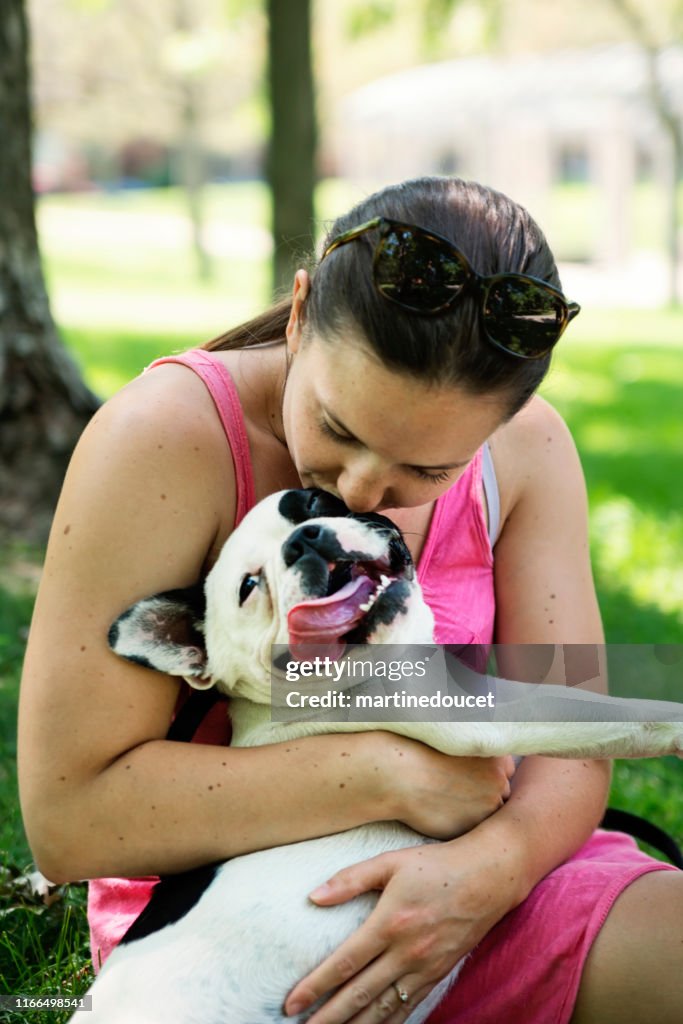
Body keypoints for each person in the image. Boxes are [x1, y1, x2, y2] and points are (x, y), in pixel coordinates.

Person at [18, 176, 683, 1023]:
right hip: (249, 932)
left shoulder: (529, 452)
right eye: (337, 428)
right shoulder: (164, 436)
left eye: (428, 470)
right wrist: (394, 774)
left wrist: (490, 872)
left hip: (493, 877)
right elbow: (71, 817)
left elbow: (574, 733)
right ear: (298, 315)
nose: (364, 492)